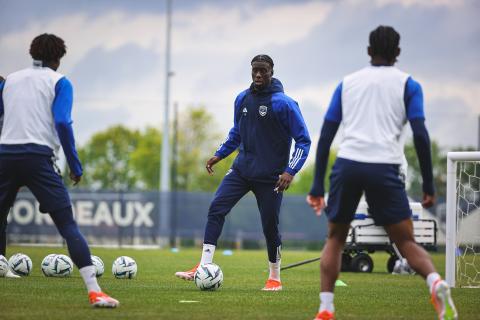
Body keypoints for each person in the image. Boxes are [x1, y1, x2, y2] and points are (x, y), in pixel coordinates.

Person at [306, 26, 457, 320]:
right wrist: (428, 183)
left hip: (348, 164)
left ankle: (326, 309)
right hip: (385, 166)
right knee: (406, 242)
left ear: (367, 51)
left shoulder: (347, 83)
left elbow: (325, 137)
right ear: (398, 53)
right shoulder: (409, 85)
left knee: (335, 239)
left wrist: (316, 185)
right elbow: (421, 135)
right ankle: (435, 282)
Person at [0, 34, 119, 307]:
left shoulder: (10, 81)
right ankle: (94, 291)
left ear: (32, 53)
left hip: (5, 155)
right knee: (67, 225)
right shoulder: (60, 82)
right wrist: (75, 166)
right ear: (58, 58)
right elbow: (63, 123)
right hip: (38, 157)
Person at [175, 54, 311, 291]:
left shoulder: (285, 104)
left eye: (263, 71)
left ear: (271, 72)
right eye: (255, 70)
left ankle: (274, 278)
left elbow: (303, 141)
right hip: (241, 170)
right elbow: (237, 133)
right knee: (216, 208)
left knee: (270, 227)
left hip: (272, 178)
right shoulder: (242, 99)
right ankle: (203, 266)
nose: (258, 75)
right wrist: (220, 154)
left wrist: (290, 171)